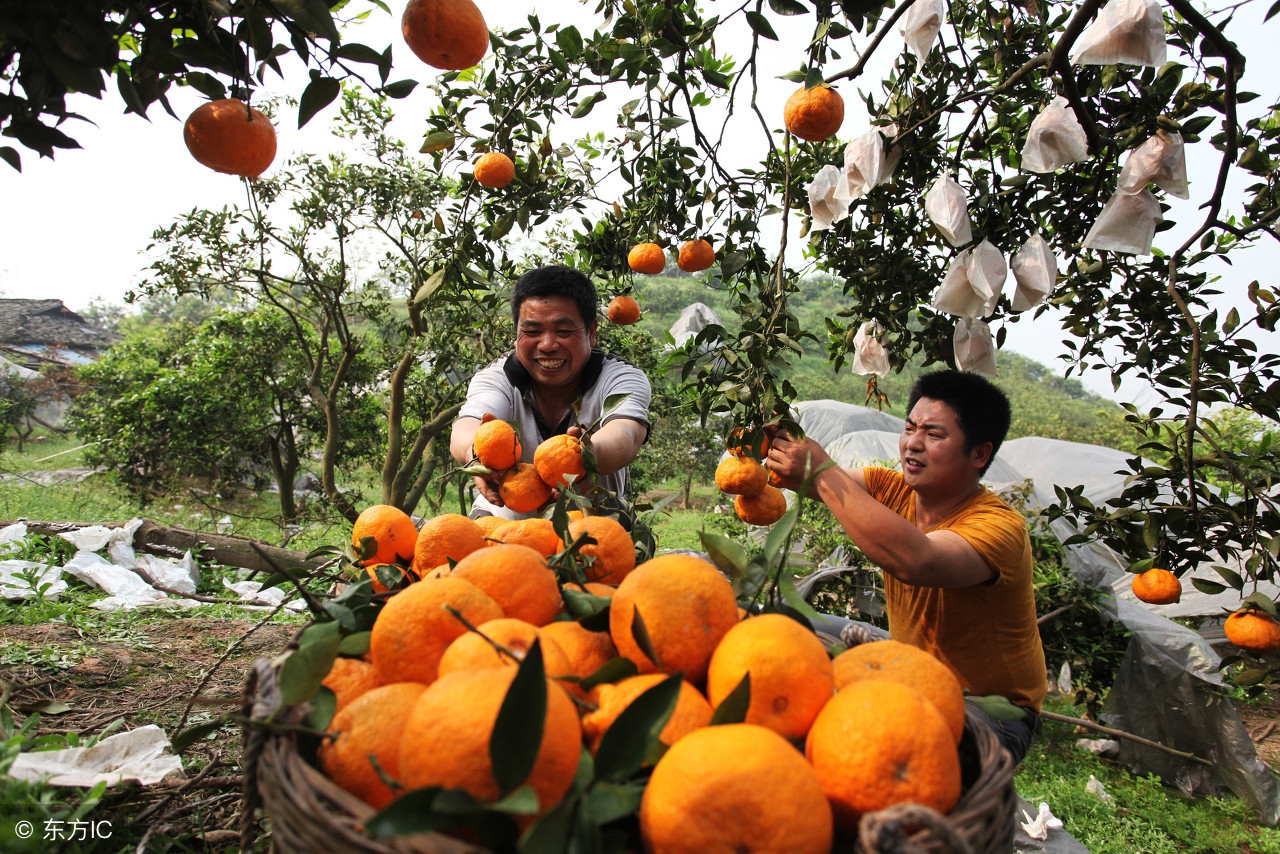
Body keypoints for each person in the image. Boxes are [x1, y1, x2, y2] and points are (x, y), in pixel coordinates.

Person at [766, 369, 1047, 764]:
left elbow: (918, 559)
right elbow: (812, 481)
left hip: (988, 711)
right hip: (906, 666)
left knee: (879, 750)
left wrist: (822, 471)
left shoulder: (999, 527)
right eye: (910, 428)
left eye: (934, 435)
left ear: (979, 454)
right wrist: (771, 444)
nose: (912, 444)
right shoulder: (890, 487)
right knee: (783, 624)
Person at [449, 265, 652, 522]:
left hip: (593, 524)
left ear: (591, 332)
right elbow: (466, 426)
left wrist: (587, 457)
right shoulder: (498, 377)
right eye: (532, 332)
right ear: (516, 335)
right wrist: (475, 454)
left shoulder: (620, 377)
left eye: (563, 331)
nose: (546, 345)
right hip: (501, 524)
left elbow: (626, 433)